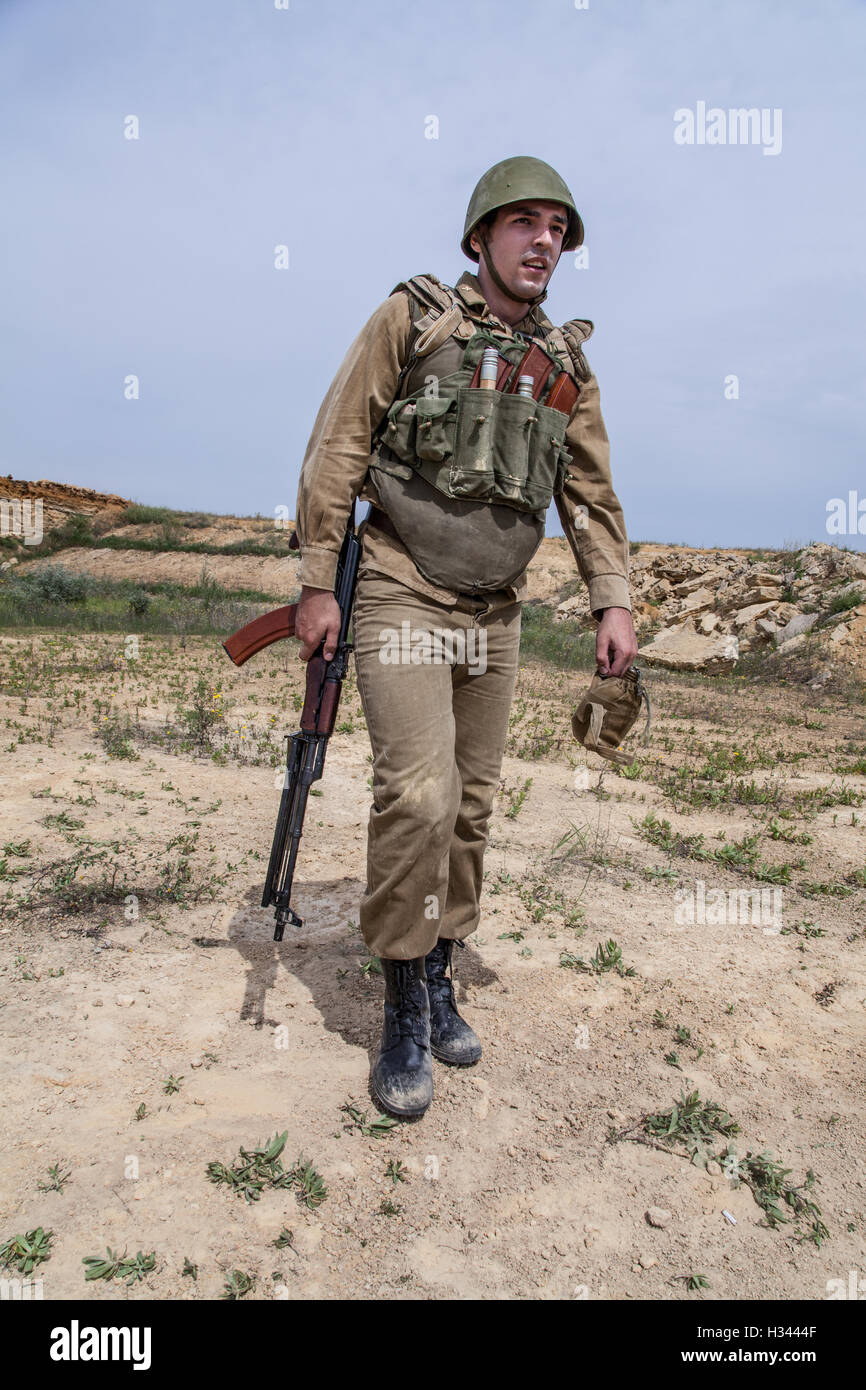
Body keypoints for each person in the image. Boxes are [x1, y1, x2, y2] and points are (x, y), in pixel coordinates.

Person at [293, 156, 637, 1117]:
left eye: (558, 229)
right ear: (480, 236)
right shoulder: (414, 320)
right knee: (420, 790)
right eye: (524, 222)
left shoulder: (566, 367)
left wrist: (615, 599)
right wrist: (318, 581)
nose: (543, 242)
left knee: (473, 805)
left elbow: (590, 495)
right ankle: (402, 995)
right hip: (401, 588)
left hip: (498, 608)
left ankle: (441, 965)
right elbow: (338, 447)